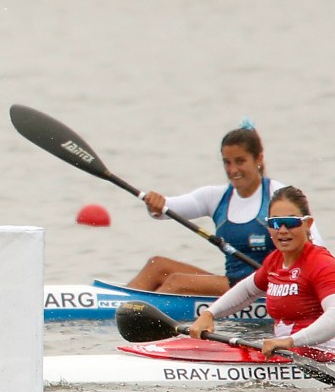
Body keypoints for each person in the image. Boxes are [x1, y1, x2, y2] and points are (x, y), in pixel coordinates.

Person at [126, 122, 322, 295]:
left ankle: (139, 315)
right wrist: (156, 204)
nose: (232, 170)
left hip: (269, 287)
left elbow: (316, 245)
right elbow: (168, 209)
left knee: (177, 282)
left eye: (240, 161)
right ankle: (118, 304)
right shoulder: (216, 197)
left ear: (258, 159)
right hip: (234, 287)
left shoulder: (277, 195)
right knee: (157, 265)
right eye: (227, 162)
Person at [188, 186, 335, 358]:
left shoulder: (321, 264)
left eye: (291, 222)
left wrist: (290, 341)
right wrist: (209, 314)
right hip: (287, 353)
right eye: (274, 223)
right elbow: (247, 290)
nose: (282, 230)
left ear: (307, 224)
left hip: (323, 356)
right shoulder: (275, 261)